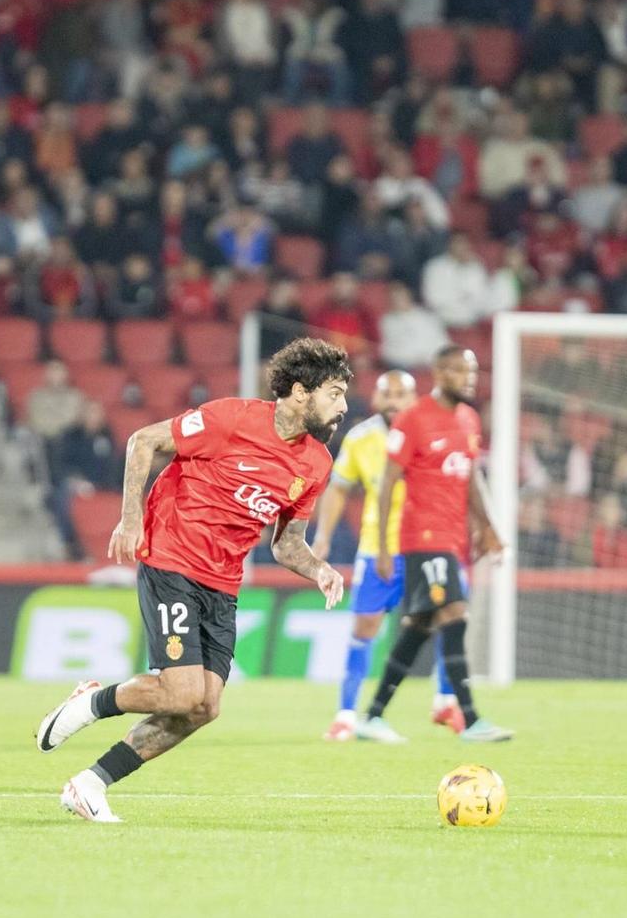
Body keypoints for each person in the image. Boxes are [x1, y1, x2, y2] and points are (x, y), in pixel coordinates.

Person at [33, 338, 351, 823]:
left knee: (204, 707)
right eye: (334, 393)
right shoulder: (233, 419)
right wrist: (131, 518)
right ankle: (92, 703)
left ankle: (90, 783)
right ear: (301, 393)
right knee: (181, 692)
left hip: (222, 583)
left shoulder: (316, 464)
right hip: (172, 557)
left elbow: (285, 543)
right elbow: (144, 439)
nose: (343, 406)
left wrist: (320, 570)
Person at [356, 345, 510, 745]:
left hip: (453, 536)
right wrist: (387, 549)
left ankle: (372, 716)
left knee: (420, 624)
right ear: (440, 373)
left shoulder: (469, 419)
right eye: (461, 371)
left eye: (474, 371)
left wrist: (487, 526)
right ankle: (471, 720)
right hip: (423, 537)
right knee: (455, 614)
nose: (470, 379)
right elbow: (389, 481)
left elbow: (471, 477)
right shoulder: (414, 419)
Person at [310, 370, 461, 741]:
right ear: (376, 400)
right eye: (387, 394)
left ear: (415, 398)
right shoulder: (361, 439)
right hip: (377, 551)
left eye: (401, 394)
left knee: (451, 617)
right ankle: (346, 715)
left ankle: (444, 702)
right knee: (365, 629)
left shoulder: (432, 432)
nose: (394, 401)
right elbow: (340, 488)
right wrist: (324, 538)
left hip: (427, 546)